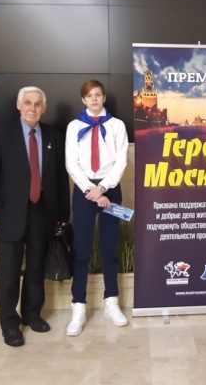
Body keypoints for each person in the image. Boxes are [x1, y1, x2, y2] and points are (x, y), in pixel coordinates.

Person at [0, 86, 70, 347]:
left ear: (44, 108)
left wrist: (63, 213)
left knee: (36, 267)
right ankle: (9, 323)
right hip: (10, 213)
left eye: (37, 103)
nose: (32, 108)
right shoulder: (1, 133)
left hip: (43, 211)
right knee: (9, 272)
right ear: (19, 105)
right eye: (28, 102)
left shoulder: (53, 135)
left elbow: (60, 178)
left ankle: (32, 314)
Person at [65, 80, 129, 336]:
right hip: (84, 191)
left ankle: (111, 301)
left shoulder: (117, 125)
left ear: (104, 98)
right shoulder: (74, 126)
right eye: (89, 95)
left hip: (110, 189)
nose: (94, 99)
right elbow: (71, 163)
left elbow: (121, 162)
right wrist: (90, 190)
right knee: (81, 250)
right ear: (83, 99)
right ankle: (78, 306)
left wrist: (102, 189)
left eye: (98, 95)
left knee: (109, 248)